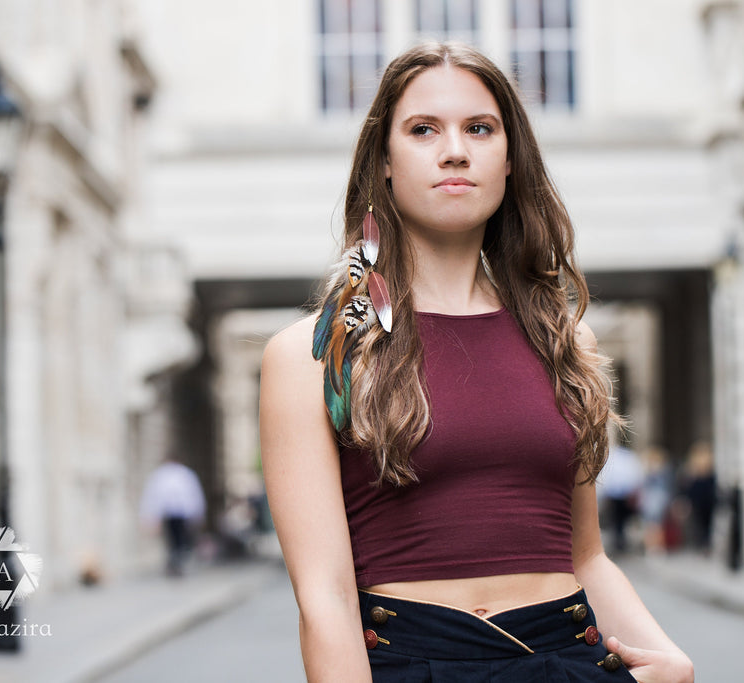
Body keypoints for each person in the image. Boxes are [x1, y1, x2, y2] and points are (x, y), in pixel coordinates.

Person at [260, 42, 693, 682]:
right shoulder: (316, 353)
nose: (455, 150)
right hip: (410, 660)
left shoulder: (566, 343)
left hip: (569, 657)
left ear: (511, 159)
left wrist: (673, 664)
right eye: (423, 129)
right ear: (383, 161)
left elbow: (587, 556)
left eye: (480, 129)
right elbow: (325, 598)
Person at [139, 455, 206, 576]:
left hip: (179, 513)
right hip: (173, 513)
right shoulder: (181, 474)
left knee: (177, 539)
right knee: (175, 539)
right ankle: (175, 561)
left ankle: (176, 561)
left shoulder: (177, 474)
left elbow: (154, 496)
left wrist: (151, 515)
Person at [597, 443, 644, 555]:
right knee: (619, 520)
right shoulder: (628, 458)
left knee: (618, 519)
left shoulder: (617, 458)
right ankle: (620, 541)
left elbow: (607, 476)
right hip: (620, 494)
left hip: (618, 494)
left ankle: (620, 541)